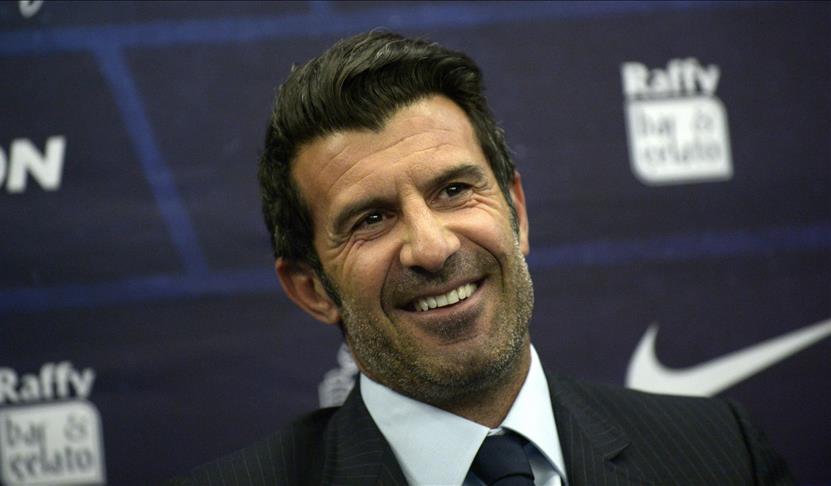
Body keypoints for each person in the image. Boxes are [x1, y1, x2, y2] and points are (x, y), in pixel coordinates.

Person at [171, 31, 793, 486]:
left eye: (453, 190)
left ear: (516, 210)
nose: (433, 246)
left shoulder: (721, 453)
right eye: (371, 219)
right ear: (311, 288)